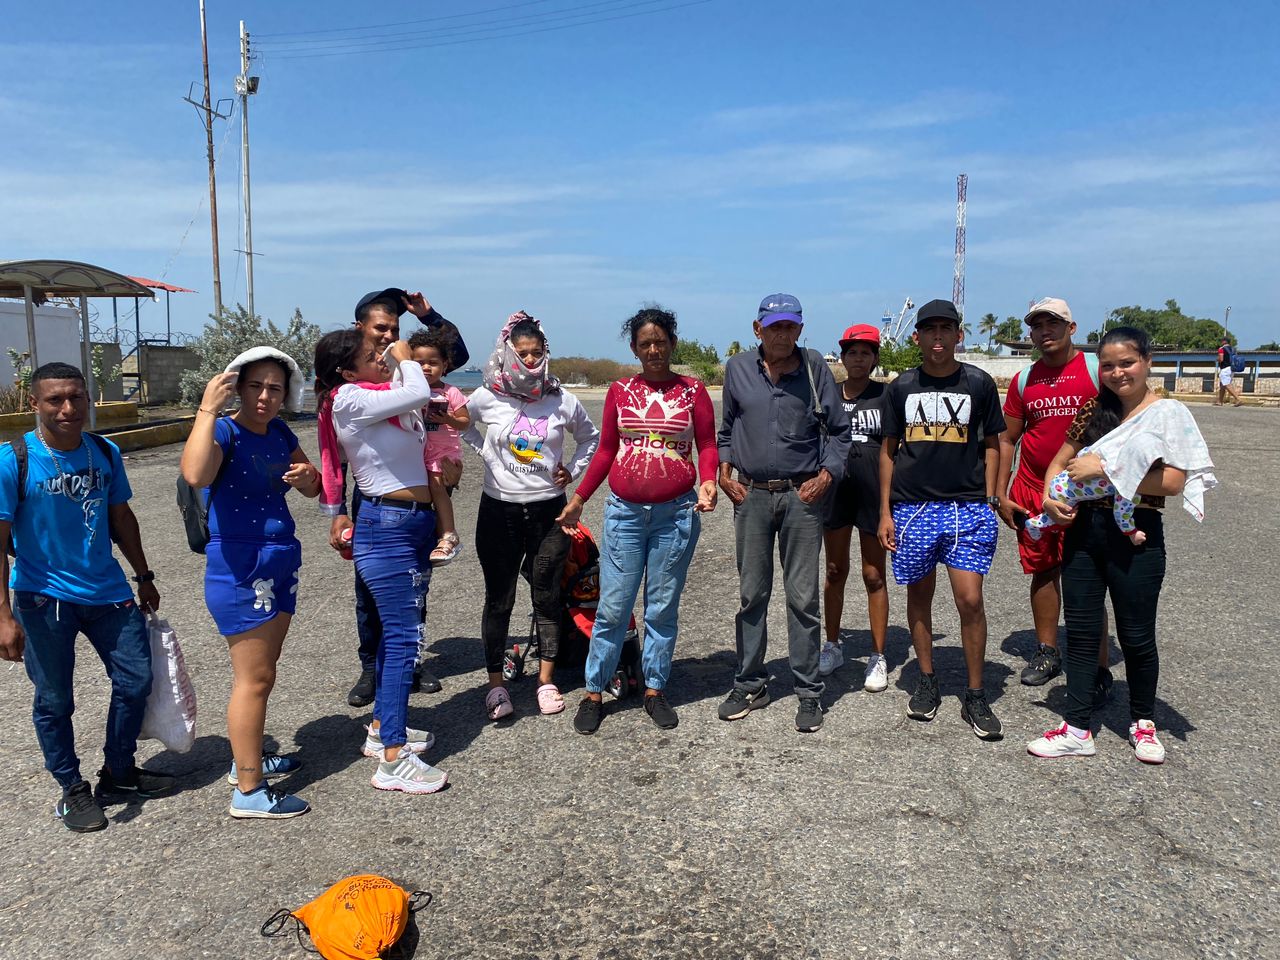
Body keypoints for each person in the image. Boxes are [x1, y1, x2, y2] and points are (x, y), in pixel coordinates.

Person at [1027, 326, 1216, 763]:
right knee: (1082, 630)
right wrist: (1049, 500)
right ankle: (1077, 727)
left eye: (1126, 363)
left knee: (1136, 635)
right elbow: (1059, 462)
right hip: (1083, 530)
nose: (1117, 373)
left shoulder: (1168, 414)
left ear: (1147, 362)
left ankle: (1143, 722)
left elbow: (1172, 480)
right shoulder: (1094, 409)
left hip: (1136, 531)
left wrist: (1102, 469)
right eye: (1107, 365)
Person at [0, 362, 173, 833]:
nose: (68, 408)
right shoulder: (12, 459)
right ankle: (71, 788)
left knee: (136, 680)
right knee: (55, 700)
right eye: (55, 399)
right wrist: (2, 615)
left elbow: (122, 519)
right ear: (35, 403)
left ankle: (118, 773)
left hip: (109, 592)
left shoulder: (104, 451)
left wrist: (144, 574)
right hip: (42, 599)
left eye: (76, 397)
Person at [555, 306, 719, 734]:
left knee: (662, 609)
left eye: (660, 342)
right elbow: (606, 449)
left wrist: (708, 482)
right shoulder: (620, 391)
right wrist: (579, 499)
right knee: (612, 608)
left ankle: (655, 689)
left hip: (677, 515)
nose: (653, 350)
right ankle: (594, 691)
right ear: (634, 348)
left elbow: (706, 444)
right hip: (625, 514)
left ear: (672, 344)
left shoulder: (693, 391)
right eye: (645, 343)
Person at [180, 348, 320, 819]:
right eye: (255, 386)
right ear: (237, 386)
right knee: (253, 679)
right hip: (241, 567)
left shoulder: (279, 430)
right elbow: (196, 473)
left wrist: (306, 477)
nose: (264, 396)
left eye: (274, 388)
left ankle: (251, 757)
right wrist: (207, 408)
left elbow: (314, 486)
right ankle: (249, 789)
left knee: (265, 671)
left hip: (280, 560)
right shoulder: (223, 428)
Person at [315, 329, 448, 794]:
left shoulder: (381, 397)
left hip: (413, 524)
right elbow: (419, 389)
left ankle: (381, 728)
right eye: (372, 356)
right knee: (402, 636)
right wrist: (406, 356)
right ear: (347, 371)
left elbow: (426, 401)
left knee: (400, 637)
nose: (383, 358)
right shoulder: (347, 398)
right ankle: (393, 758)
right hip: (387, 526)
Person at [716, 293, 852, 733]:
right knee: (751, 595)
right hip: (751, 496)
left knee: (802, 598)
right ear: (757, 329)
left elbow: (839, 432)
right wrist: (723, 471)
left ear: (800, 328)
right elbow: (726, 429)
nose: (782, 334)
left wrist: (828, 475)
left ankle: (809, 690)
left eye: (790, 326)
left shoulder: (815, 369)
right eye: (774, 326)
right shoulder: (737, 368)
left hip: (802, 497)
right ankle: (751, 682)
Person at [878, 299, 1006, 740]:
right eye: (929, 329)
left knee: (969, 599)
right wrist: (885, 511)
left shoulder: (979, 383)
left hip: (967, 507)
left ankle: (974, 691)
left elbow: (994, 443)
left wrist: (991, 496)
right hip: (912, 506)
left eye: (945, 329)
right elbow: (888, 451)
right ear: (916, 337)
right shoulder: (901, 388)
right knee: (920, 594)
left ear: (958, 335)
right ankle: (927, 679)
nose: (937, 337)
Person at [462, 311, 599, 722]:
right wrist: (485, 451)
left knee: (547, 595)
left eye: (537, 353)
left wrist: (572, 470)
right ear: (507, 354)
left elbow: (590, 438)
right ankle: (496, 686)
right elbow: (460, 424)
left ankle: (546, 681)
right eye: (522, 354)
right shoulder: (488, 395)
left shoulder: (561, 399)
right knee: (499, 599)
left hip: (550, 511)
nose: (530, 362)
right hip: (498, 510)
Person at [335, 289, 468, 706]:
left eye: (394, 328)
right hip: (373, 497)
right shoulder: (357, 377)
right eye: (380, 328)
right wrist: (337, 510)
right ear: (359, 329)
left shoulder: (400, 368)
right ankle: (370, 668)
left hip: (418, 497)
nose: (389, 335)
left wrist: (427, 315)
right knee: (368, 589)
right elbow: (335, 449)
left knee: (415, 583)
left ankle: (409, 662)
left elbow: (455, 354)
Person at [995, 297, 1106, 690]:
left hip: (1089, 492)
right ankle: (1047, 650)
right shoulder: (1025, 380)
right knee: (1043, 572)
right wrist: (1000, 491)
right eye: (1038, 325)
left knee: (1090, 575)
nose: (1045, 331)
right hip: (1032, 489)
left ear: (1071, 328)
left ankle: (1096, 664)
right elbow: (1008, 437)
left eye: (1053, 324)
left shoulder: (1097, 370)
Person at [820, 323, 890, 692]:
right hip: (835, 492)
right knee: (834, 569)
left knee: (873, 574)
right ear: (843, 357)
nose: (858, 358)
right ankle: (832, 645)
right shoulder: (827, 394)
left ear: (875, 358)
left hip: (872, 493)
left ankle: (879, 655)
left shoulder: (887, 396)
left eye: (866, 352)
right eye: (852, 352)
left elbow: (896, 449)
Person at [408, 327, 470, 565]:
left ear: (445, 365)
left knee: (436, 489)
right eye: (419, 363)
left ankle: (448, 535)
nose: (426, 368)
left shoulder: (450, 392)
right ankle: (429, 536)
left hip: (443, 453)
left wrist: (449, 420)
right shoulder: (409, 392)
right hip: (418, 452)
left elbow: (465, 422)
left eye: (432, 363)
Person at [1215, 336, 1244, 407]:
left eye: (1222, 340)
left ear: (1224, 341)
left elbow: (1221, 359)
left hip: (1225, 369)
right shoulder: (1233, 349)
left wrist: (1217, 359)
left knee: (1227, 384)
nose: (1221, 342)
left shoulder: (1221, 349)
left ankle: (1238, 399)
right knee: (1222, 385)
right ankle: (1220, 401)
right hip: (1232, 369)